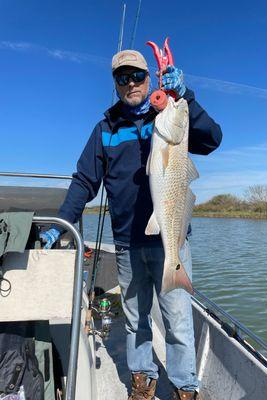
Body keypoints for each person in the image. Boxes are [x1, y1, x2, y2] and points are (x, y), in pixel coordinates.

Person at [40, 49, 222, 400]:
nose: (131, 84)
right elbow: (83, 182)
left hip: (171, 240)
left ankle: (185, 385)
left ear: (149, 78)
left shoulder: (167, 116)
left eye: (137, 76)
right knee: (136, 320)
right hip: (126, 243)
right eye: (122, 78)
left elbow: (212, 139)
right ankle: (143, 379)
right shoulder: (105, 129)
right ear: (115, 84)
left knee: (178, 321)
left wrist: (184, 96)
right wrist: (61, 223)